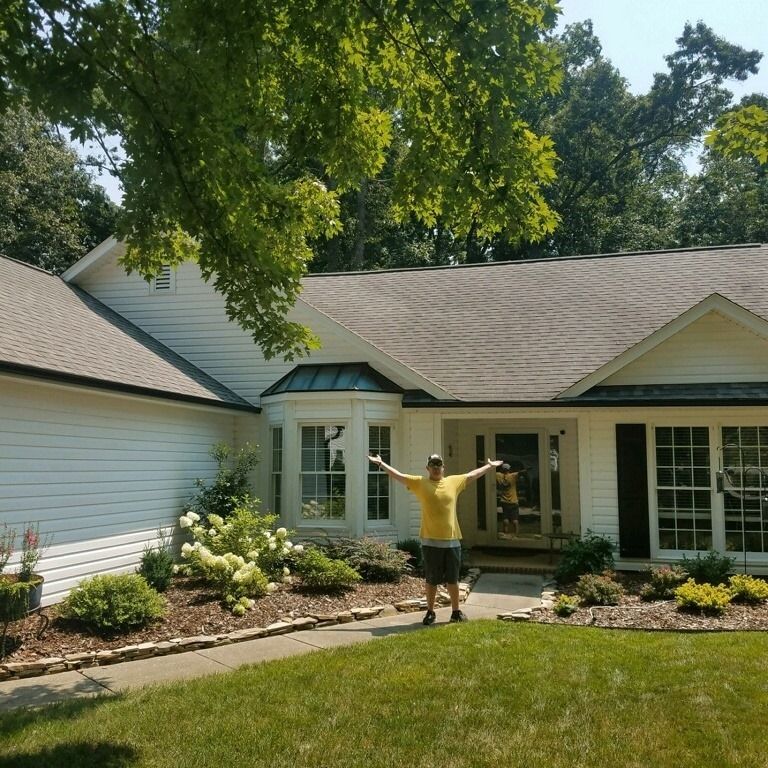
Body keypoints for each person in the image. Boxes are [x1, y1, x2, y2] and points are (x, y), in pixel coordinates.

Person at [367, 452, 502, 625]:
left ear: (443, 467)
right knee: (431, 580)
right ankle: (430, 612)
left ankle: (456, 612)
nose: (436, 468)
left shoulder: (453, 482)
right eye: (433, 465)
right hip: (430, 542)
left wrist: (489, 466)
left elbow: (472, 475)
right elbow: (398, 476)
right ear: (428, 468)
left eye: (439, 465)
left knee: (453, 580)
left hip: (452, 541)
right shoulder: (420, 483)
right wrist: (381, 463)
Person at [495, 463, 527, 537]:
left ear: (502, 469)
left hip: (504, 501)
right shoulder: (513, 476)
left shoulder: (498, 475)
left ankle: (505, 534)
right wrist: (527, 469)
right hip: (513, 501)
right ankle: (516, 534)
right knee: (515, 519)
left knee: (505, 519)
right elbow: (521, 472)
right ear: (509, 469)